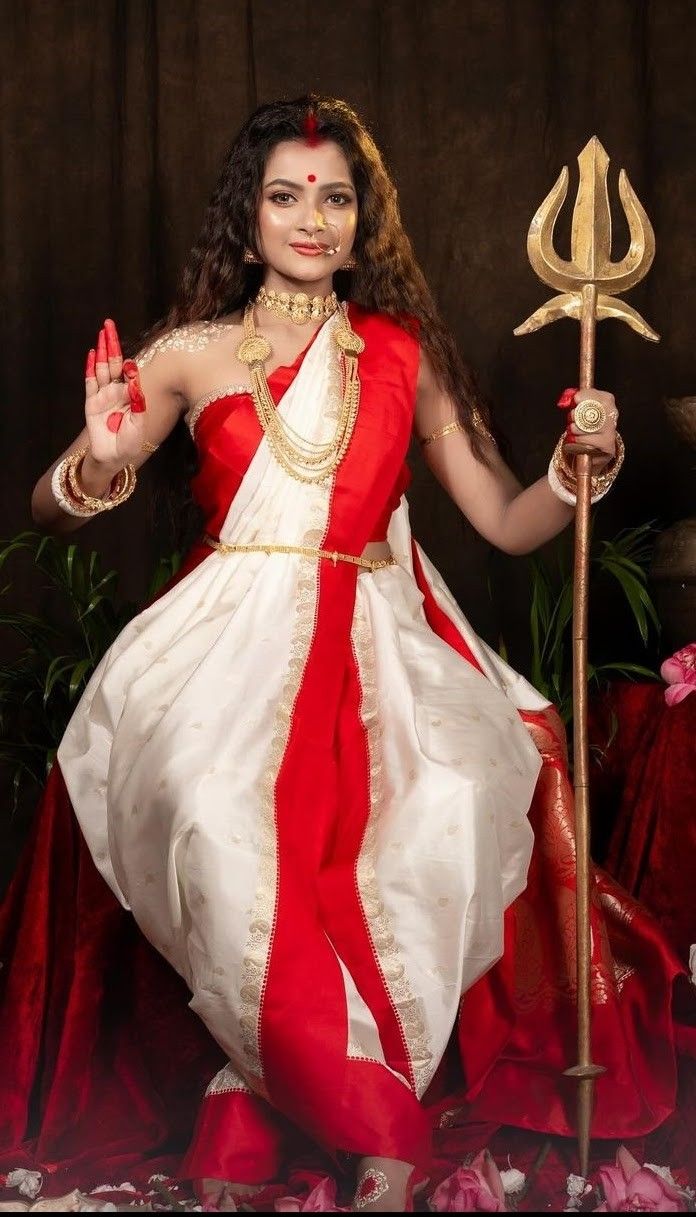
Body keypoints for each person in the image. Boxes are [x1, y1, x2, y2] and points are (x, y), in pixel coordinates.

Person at [8, 95, 689, 1213]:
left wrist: (584, 461)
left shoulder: (402, 353)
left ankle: (257, 1106)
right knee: (218, 818)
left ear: (363, 217)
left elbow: (508, 520)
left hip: (380, 641)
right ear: (249, 215)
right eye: (286, 195)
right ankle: (381, 1127)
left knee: (443, 812)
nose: (311, 217)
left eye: (334, 196)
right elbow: (54, 511)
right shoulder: (188, 353)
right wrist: (89, 455)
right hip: (227, 644)